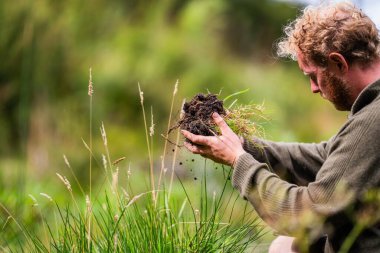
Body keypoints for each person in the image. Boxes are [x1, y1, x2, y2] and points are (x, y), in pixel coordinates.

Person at [181, 2, 380, 253]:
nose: (314, 89)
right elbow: (326, 157)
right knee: (285, 246)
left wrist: (238, 161)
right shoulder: (371, 110)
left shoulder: (373, 122)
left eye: (313, 75)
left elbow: (303, 214)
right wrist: (243, 145)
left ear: (338, 63)